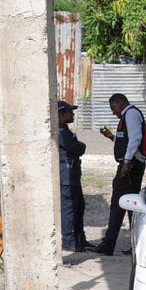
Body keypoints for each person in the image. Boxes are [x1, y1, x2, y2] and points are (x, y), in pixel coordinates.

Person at [93, 94, 146, 255]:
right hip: (130, 164)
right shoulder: (127, 115)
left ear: (120, 103)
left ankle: (108, 245)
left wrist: (127, 162)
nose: (113, 112)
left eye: (113, 108)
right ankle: (135, 244)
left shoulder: (131, 114)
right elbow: (127, 139)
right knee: (130, 205)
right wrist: (112, 137)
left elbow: (135, 138)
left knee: (119, 204)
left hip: (130, 166)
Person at [58, 100, 89, 252]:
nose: (73, 114)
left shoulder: (65, 130)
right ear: (61, 114)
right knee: (69, 209)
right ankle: (69, 242)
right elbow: (75, 147)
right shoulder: (61, 131)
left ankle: (80, 240)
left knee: (79, 207)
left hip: (72, 176)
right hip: (67, 177)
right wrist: (81, 146)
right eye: (69, 111)